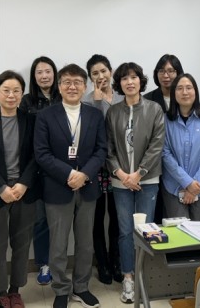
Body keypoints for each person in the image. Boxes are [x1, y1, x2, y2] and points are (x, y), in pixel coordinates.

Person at [35, 64, 107, 308]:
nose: (72, 86)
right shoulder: (46, 115)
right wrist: (69, 173)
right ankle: (61, 289)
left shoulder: (95, 115)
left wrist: (84, 174)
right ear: (59, 86)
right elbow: (41, 153)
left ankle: (81, 287)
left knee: (86, 243)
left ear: (85, 86)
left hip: (87, 187)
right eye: (67, 82)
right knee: (58, 244)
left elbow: (101, 150)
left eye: (77, 82)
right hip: (57, 187)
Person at [0, 70, 40, 308]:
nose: (11, 95)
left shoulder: (31, 121)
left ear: (22, 94)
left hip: (24, 191)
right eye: (6, 90)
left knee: (21, 244)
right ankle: (1, 291)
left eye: (16, 91)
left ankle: (15, 290)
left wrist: (23, 183)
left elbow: (36, 156)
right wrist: (2, 188)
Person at [106, 62, 165, 304]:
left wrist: (138, 174)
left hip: (147, 180)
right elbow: (108, 148)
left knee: (146, 230)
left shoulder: (154, 109)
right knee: (124, 231)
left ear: (141, 81)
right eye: (124, 78)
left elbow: (157, 145)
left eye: (134, 77)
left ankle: (144, 275)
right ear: (119, 84)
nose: (129, 82)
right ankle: (128, 277)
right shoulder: (113, 112)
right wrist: (122, 175)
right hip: (121, 181)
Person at [82, 54, 124, 285]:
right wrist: (97, 104)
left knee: (117, 218)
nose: (100, 76)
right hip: (96, 166)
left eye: (103, 71)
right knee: (97, 218)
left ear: (111, 71)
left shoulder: (122, 97)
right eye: (95, 73)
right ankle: (102, 263)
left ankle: (116, 261)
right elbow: (91, 133)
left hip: (118, 166)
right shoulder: (86, 101)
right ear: (90, 77)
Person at [20, 56, 61, 286]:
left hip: (61, 169)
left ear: (55, 73)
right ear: (34, 76)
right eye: (39, 72)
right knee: (40, 220)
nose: (44, 76)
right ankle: (44, 263)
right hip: (35, 170)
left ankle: (59, 263)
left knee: (61, 221)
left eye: (48, 71)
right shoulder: (26, 101)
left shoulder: (63, 96)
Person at [161, 74, 200, 220]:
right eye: (180, 88)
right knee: (178, 232)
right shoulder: (165, 120)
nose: (185, 92)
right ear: (174, 93)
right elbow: (165, 154)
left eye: (189, 88)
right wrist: (187, 182)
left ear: (195, 91)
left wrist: (194, 187)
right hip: (173, 187)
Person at [144, 54, 184, 223]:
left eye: (171, 71)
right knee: (156, 213)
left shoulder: (185, 97)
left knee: (177, 215)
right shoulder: (147, 99)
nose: (166, 75)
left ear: (178, 73)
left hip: (181, 163)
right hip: (154, 164)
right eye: (161, 71)